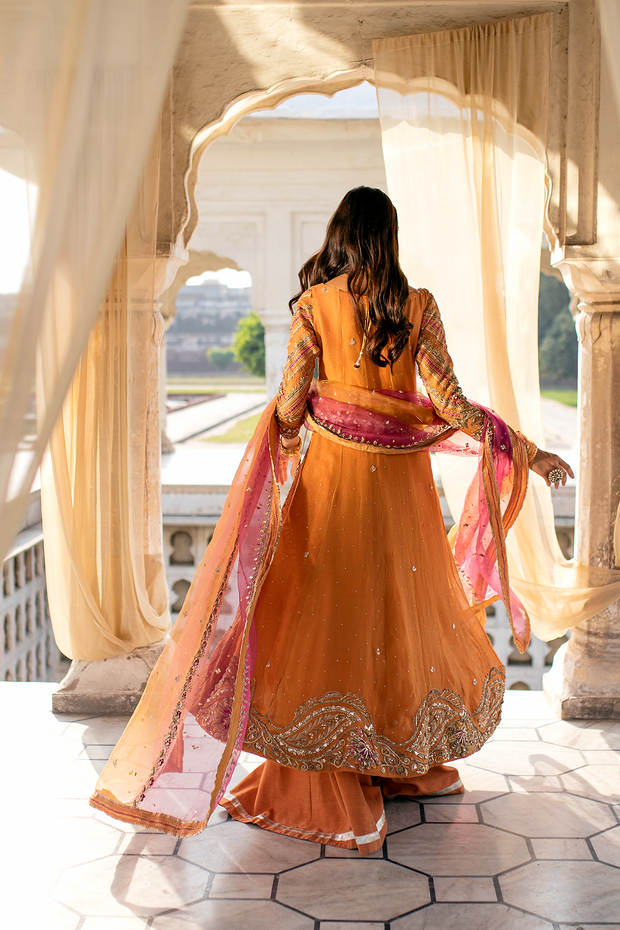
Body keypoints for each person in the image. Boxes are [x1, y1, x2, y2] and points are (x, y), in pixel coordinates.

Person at [91, 187, 572, 854]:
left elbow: (290, 405)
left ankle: (329, 774)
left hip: (335, 485)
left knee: (325, 615)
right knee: (388, 613)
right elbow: (453, 404)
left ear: (341, 234)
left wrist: (291, 429)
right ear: (390, 235)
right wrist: (527, 452)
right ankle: (388, 760)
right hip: (401, 494)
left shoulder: (315, 305)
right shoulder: (417, 305)